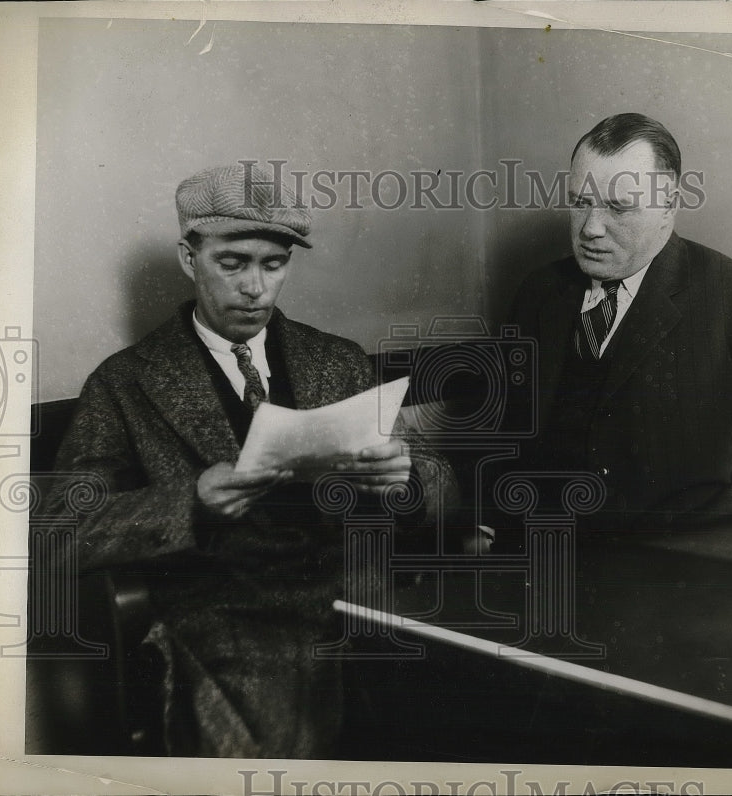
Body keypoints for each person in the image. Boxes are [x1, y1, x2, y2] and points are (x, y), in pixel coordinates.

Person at [41, 163, 449, 757]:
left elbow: (446, 497)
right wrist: (190, 502)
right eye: (232, 264)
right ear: (189, 257)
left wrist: (405, 481)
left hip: (361, 606)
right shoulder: (125, 384)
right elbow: (59, 536)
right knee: (280, 726)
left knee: (471, 701)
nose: (254, 288)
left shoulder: (338, 361)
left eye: (273, 264)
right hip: (230, 626)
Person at [497, 113, 732, 533]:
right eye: (580, 202)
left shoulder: (731, 289)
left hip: (695, 559)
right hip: (558, 558)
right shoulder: (540, 293)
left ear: (669, 206)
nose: (591, 229)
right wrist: (483, 523)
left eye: (619, 207)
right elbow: (501, 438)